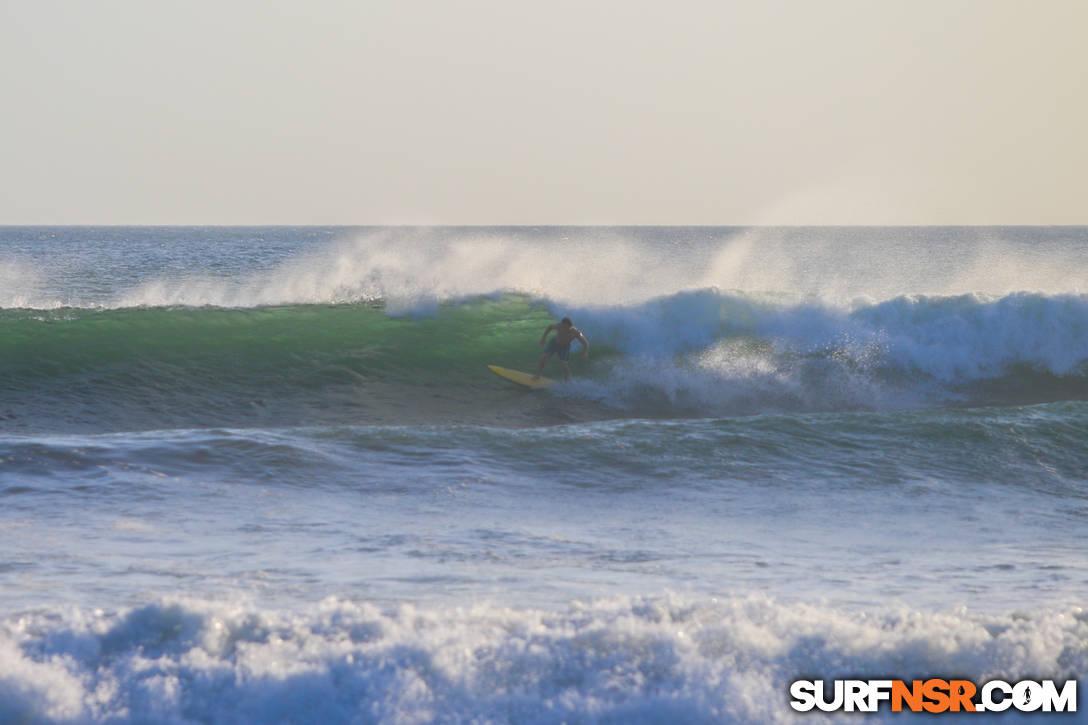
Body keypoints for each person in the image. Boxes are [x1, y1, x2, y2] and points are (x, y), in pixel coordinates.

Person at [533, 317, 588, 381]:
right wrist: (544, 337)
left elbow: (586, 343)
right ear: (562, 324)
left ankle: (567, 381)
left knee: (564, 364)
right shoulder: (558, 326)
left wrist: (585, 352)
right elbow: (549, 327)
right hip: (554, 343)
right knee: (544, 357)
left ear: (570, 326)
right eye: (564, 327)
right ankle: (538, 375)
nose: (566, 329)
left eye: (568, 328)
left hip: (564, 347)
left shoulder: (575, 332)